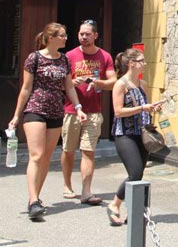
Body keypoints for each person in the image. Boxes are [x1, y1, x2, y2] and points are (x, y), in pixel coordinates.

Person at [8, 22, 88, 220]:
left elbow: (69, 87)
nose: (66, 38)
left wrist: (78, 108)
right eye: (62, 35)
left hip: (55, 111)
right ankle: (34, 201)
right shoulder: (34, 58)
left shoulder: (64, 60)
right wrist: (17, 115)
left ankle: (35, 198)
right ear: (51, 38)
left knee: (46, 157)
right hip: (35, 109)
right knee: (36, 155)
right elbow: (26, 88)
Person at [61, 19, 116, 205]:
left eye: (87, 34)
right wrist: (72, 83)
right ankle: (67, 185)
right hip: (71, 110)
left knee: (88, 151)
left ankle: (86, 191)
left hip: (94, 111)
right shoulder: (69, 56)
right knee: (68, 151)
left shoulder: (105, 56)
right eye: (81, 33)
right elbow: (59, 83)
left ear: (95, 35)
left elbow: (113, 81)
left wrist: (98, 82)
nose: (83, 37)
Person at [106, 48, 162, 226]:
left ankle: (133, 213)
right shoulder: (120, 84)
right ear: (131, 64)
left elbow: (145, 106)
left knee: (138, 174)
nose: (144, 64)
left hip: (142, 134)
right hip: (125, 134)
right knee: (135, 171)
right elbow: (118, 111)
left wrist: (153, 108)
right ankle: (115, 204)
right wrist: (142, 108)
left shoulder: (142, 84)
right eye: (141, 61)